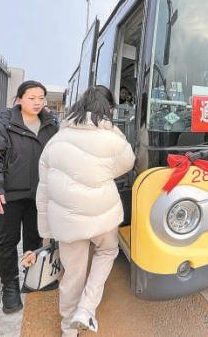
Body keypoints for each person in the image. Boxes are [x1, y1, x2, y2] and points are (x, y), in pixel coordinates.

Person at [36, 85, 135, 336]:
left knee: (73, 274)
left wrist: (46, 230)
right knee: (107, 251)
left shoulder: (55, 141)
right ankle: (86, 308)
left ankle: (68, 326)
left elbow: (44, 190)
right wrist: (111, 129)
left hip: (66, 222)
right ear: (107, 108)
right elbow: (128, 161)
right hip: (102, 214)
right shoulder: (111, 137)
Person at [0, 80, 58, 314]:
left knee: (34, 238)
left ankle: (31, 277)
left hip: (39, 195)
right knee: (7, 242)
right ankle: (9, 286)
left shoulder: (51, 125)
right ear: (19, 99)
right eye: (32, 98)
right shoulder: (4, 125)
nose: (37, 102)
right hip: (8, 196)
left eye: (41, 98)